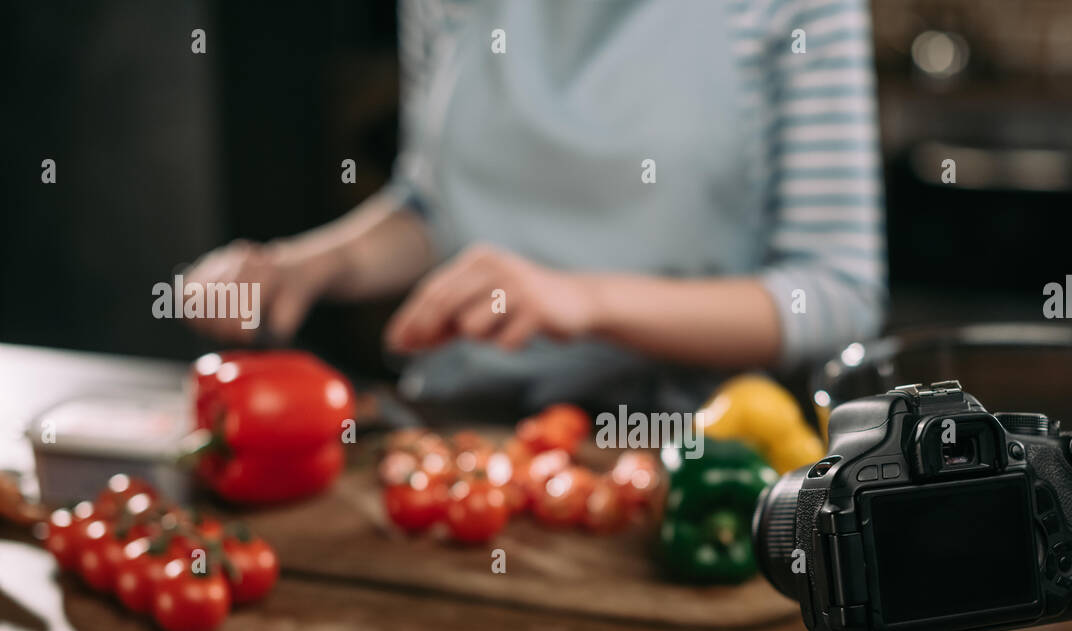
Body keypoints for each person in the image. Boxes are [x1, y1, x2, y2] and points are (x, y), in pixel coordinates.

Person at [186, 0, 885, 411]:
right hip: (462, 431)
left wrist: (582, 299)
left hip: (692, 448)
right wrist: (305, 265)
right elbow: (436, 205)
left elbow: (835, 293)